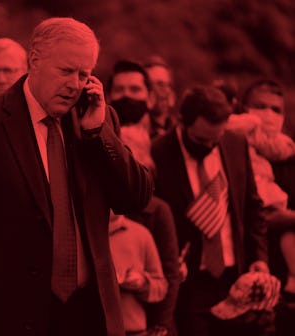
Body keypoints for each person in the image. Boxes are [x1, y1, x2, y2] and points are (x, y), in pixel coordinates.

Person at [0, 17, 153, 336]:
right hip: (4, 316)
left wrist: (99, 134)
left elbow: (135, 198)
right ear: (34, 61)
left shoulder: (96, 118)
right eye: (66, 71)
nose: (75, 84)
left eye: (85, 74)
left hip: (87, 315)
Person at [151, 86, 269, 336]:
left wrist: (259, 258)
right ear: (183, 121)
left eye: (216, 140)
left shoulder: (235, 143)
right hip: (190, 282)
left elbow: (252, 207)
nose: (210, 146)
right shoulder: (159, 152)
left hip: (236, 277)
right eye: (202, 141)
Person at [107, 60, 181, 335]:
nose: (127, 97)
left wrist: (161, 323)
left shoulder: (167, 146)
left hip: (149, 315)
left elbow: (168, 275)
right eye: (120, 90)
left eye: (135, 89)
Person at [231, 79, 295, 308]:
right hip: (245, 278)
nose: (268, 114)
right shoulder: (233, 154)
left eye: (276, 109)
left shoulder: (289, 158)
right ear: (243, 109)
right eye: (261, 106)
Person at [109, 213, 168, 336]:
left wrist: (142, 283)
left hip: (133, 329)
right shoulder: (81, 234)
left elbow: (162, 287)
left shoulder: (141, 234)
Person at [143, 56, 178, 139]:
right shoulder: (136, 133)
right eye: (159, 84)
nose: (166, 90)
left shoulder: (177, 131)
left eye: (168, 85)